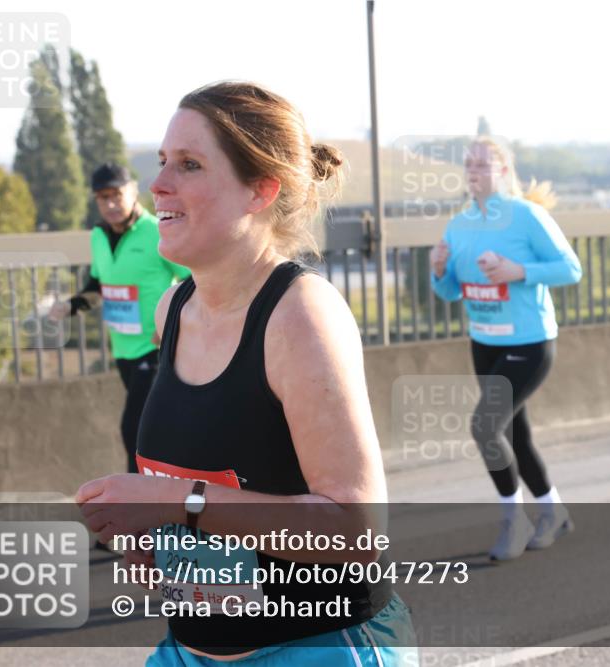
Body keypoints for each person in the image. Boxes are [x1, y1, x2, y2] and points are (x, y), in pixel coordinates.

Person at [75, 81, 416, 665]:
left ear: (260, 190)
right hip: (190, 651)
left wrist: (175, 502)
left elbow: (356, 530)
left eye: (189, 165)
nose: (158, 185)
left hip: (317, 647)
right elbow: (215, 495)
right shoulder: (173, 310)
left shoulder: (300, 316)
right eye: (161, 162)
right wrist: (151, 537)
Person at [430, 136, 582, 561]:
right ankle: (554, 511)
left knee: (484, 426)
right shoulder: (458, 225)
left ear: (502, 171)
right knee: (516, 431)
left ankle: (514, 522)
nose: (473, 171)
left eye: (482, 164)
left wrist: (519, 270)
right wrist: (439, 270)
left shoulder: (526, 216)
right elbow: (448, 293)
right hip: (485, 343)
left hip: (530, 342)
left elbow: (571, 269)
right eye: (468, 164)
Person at [49, 163, 190, 474]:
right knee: (154, 430)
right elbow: (99, 286)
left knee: (134, 428)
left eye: (117, 195)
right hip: (122, 351)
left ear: (132, 191)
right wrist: (69, 307)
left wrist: (167, 324)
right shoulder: (98, 236)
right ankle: (168, 493)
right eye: (102, 197)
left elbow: (192, 281)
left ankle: (136, 507)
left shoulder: (158, 230)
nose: (110, 204)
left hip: (155, 349)